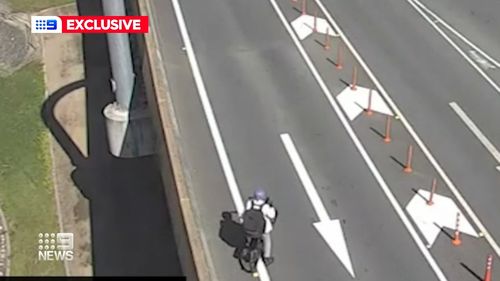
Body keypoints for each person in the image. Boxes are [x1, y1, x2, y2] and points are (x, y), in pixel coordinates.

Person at [243, 188, 277, 266]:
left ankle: (249, 249)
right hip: (261, 229)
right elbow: (272, 215)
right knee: (267, 239)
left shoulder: (250, 203)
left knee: (251, 238)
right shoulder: (265, 207)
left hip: (248, 228)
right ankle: (267, 257)